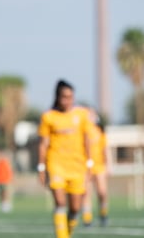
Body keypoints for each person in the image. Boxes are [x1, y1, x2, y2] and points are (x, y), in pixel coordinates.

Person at [37, 80, 94, 238]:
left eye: (71, 97)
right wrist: (41, 168)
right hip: (56, 164)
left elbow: (86, 139)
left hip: (77, 166)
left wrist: (90, 163)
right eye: (64, 97)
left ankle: (68, 230)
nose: (68, 101)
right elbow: (43, 144)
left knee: (75, 208)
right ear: (57, 97)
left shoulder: (81, 114)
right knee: (60, 202)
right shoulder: (48, 116)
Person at [82, 108, 109, 227]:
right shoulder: (82, 131)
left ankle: (103, 214)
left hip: (99, 165)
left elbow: (105, 149)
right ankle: (87, 219)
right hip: (85, 166)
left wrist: (109, 164)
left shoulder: (100, 131)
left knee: (102, 192)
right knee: (86, 193)